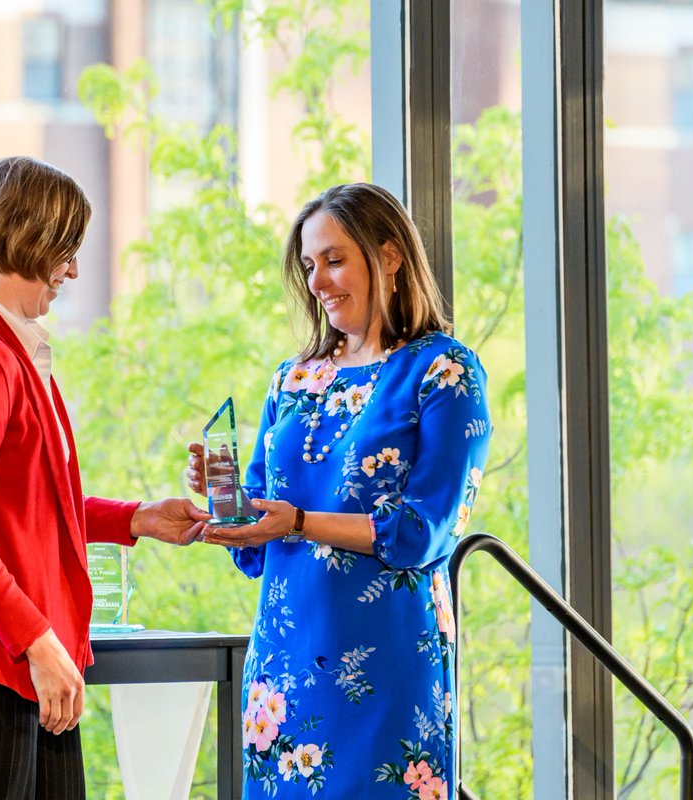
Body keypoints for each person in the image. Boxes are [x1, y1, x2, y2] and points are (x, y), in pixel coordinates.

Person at [0, 155, 210, 800]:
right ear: (29, 239)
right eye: (65, 250)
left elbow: (27, 504)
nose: (70, 269)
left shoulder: (10, 346)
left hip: (21, 657)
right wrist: (39, 643)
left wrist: (135, 518)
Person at [187, 183, 491, 798]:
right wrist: (225, 503)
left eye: (334, 259)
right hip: (283, 666)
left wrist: (297, 521)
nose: (318, 281)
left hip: (385, 661)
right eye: (308, 265)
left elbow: (426, 530)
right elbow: (257, 531)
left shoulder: (445, 371)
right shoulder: (294, 377)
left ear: (390, 257)